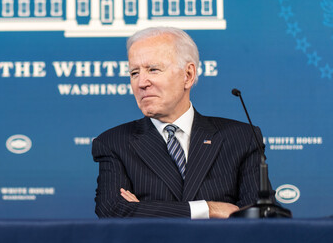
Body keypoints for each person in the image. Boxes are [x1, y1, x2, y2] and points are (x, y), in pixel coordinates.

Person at [91, 27, 263, 218]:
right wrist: (209, 209)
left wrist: (144, 209)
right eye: (134, 73)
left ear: (188, 75)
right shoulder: (114, 143)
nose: (141, 83)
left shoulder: (241, 138)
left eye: (153, 69)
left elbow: (258, 215)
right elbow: (113, 210)